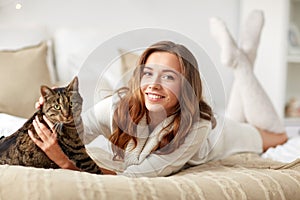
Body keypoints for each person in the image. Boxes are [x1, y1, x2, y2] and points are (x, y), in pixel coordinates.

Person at [29, 11, 287, 177]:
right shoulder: (118, 106)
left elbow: (137, 175)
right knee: (238, 110)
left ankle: (241, 64)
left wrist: (66, 164)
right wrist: (50, 116)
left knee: (279, 135)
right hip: (222, 121)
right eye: (148, 73)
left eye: (168, 76)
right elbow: (78, 131)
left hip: (225, 137)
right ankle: (245, 58)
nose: (153, 84)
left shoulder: (196, 127)